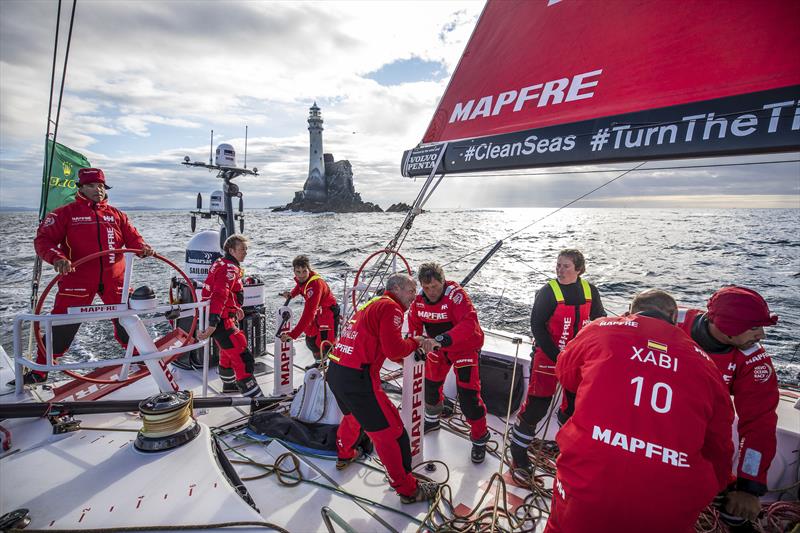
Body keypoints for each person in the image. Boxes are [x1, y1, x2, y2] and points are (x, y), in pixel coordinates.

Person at [544, 289, 734, 533]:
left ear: (631, 311)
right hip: (668, 505)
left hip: (585, 486)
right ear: (674, 318)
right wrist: (711, 487)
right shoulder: (706, 365)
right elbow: (720, 446)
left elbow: (566, 373)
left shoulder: (601, 329)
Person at [23, 167, 155, 384]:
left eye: (101, 186)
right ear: (81, 188)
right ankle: (40, 370)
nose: (98, 190)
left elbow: (134, 240)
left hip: (115, 280)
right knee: (62, 324)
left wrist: (143, 248)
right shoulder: (64, 214)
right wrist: (57, 258)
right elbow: (43, 240)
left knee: (128, 320)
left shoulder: (117, 215)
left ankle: (143, 359)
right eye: (92, 186)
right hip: (77, 280)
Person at [327, 273, 441, 503]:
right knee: (392, 433)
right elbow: (394, 349)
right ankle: (409, 490)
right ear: (397, 289)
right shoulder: (392, 309)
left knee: (352, 416)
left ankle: (345, 454)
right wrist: (416, 343)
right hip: (359, 380)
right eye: (411, 291)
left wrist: (403, 351)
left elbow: (375, 341)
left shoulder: (373, 304)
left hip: (336, 371)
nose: (414, 296)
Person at [676, 286, 779, 529]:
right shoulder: (670, 321)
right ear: (728, 327)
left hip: (706, 445)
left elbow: (759, 425)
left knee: (734, 510)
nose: (761, 335)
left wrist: (749, 486)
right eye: (754, 327)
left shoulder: (754, 361)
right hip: (653, 434)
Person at [509, 249, 605, 473]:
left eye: (566, 266)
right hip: (548, 357)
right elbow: (537, 327)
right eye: (558, 265)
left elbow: (599, 318)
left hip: (577, 360)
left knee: (573, 408)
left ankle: (565, 448)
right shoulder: (548, 292)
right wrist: (558, 357)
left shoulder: (590, 290)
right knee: (537, 408)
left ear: (578, 269)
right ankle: (518, 454)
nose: (560, 270)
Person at [407, 262, 490, 463]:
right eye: (426, 288)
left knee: (469, 397)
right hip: (437, 348)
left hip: (464, 348)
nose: (431, 292)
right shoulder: (418, 301)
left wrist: (441, 339)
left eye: (435, 287)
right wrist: (416, 343)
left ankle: (479, 439)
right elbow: (414, 326)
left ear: (443, 281)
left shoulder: (456, 295)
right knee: (431, 386)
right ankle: (432, 420)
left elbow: (469, 323)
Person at [197, 234, 263, 398]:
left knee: (226, 354)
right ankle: (257, 402)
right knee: (243, 358)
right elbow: (220, 294)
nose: (245, 252)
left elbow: (221, 291)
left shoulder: (220, 263)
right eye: (242, 249)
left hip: (219, 317)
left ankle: (229, 386)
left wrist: (235, 308)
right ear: (231, 250)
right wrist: (213, 323)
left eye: (246, 249)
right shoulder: (229, 268)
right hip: (221, 321)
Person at [279, 255, 339, 368]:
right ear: (294, 272)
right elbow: (300, 287)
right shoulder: (304, 280)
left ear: (309, 269)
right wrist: (291, 294)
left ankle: (337, 367)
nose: (301, 275)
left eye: (304, 271)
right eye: (298, 272)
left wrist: (293, 334)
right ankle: (320, 364)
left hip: (328, 312)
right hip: (318, 311)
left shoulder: (315, 285)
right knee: (310, 339)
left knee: (326, 344)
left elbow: (308, 314)